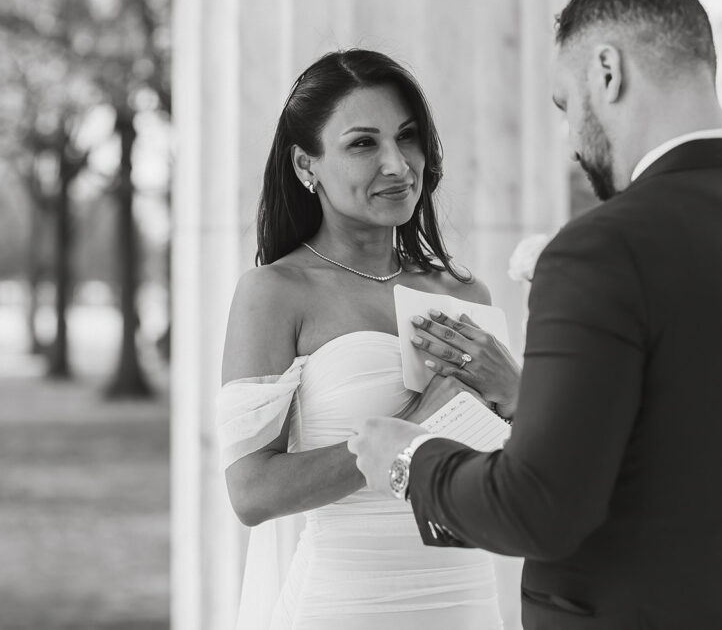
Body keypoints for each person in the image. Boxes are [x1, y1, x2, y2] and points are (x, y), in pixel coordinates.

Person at [349, 0, 722, 630]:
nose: (572, 138)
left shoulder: (599, 249)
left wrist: (410, 459)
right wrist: (534, 400)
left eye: (566, 105)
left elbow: (537, 509)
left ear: (608, 71)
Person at [217, 48, 521, 629]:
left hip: (464, 601)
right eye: (363, 143)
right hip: (344, 605)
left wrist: (520, 394)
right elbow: (251, 493)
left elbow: (516, 480)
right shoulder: (276, 292)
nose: (398, 165)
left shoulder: (466, 295)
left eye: (407, 137)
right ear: (307, 166)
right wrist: (410, 434)